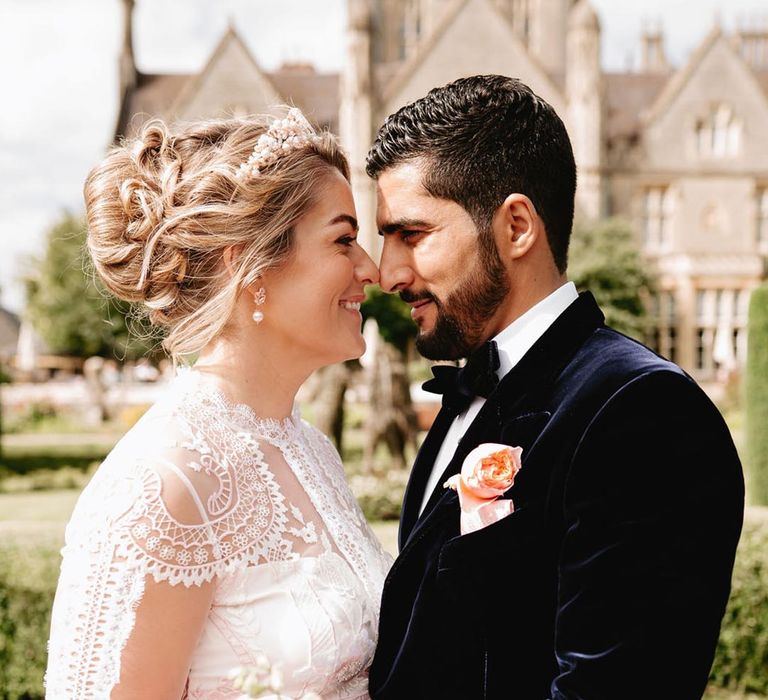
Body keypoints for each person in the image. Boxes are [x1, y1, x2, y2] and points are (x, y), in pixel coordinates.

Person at [366, 75, 744, 699]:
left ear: (517, 226)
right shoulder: (470, 395)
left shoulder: (643, 413)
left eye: (412, 235)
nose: (389, 273)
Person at [45, 108, 392, 700]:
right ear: (249, 265)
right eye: (343, 240)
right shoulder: (163, 482)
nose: (372, 270)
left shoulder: (311, 449)